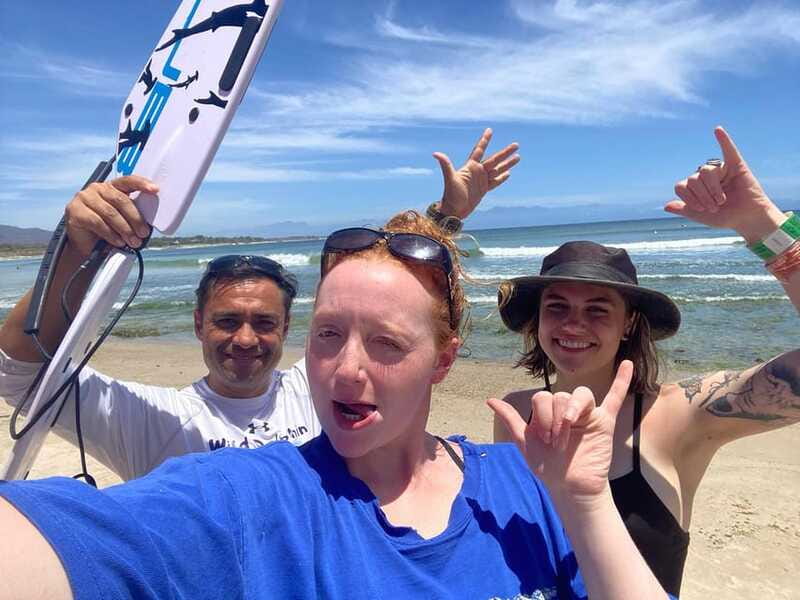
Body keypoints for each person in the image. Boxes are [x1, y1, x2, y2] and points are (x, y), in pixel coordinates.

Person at [0, 210, 673, 600]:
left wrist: (584, 503)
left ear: (443, 360)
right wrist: (72, 254)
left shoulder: (525, 482)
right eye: (327, 335)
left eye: (385, 343)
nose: (346, 369)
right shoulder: (250, 494)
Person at [0, 129, 521, 481]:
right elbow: (20, 376)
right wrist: (75, 249)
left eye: (264, 323)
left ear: (288, 327)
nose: (246, 339)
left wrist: (446, 216)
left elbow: (380, 283)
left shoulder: (314, 390)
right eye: (227, 320)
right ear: (199, 323)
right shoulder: (155, 419)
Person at [492, 127, 800, 596]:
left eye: (597, 309)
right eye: (557, 307)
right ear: (537, 321)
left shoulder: (680, 415)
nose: (573, 325)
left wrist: (761, 225)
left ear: (630, 324)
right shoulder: (515, 413)